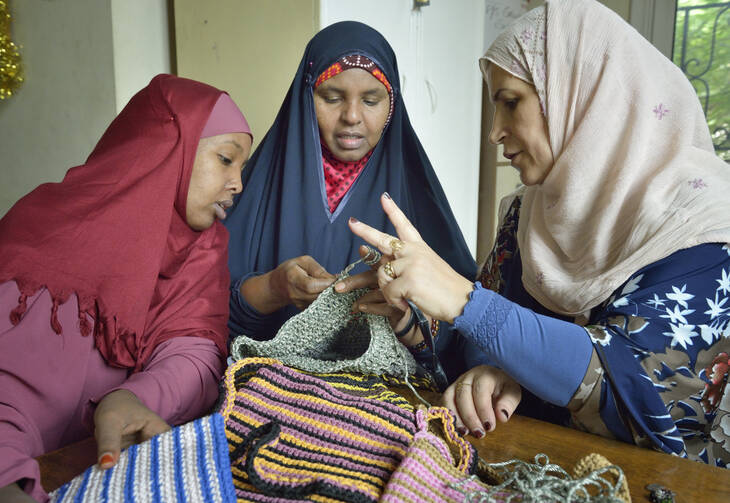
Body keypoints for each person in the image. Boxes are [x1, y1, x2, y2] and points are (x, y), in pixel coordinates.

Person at [341, 0, 730, 467]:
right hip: (536, 467)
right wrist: (413, 318)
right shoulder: (530, 215)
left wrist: (466, 300)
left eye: (510, 103)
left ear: (584, 95)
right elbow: (482, 343)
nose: (495, 133)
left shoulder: (702, 230)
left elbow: (639, 391)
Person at [0, 74, 253, 501]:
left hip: (103, 465)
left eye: (242, 167)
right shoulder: (47, 233)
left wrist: (129, 398)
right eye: (226, 160)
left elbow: (196, 354)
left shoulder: (204, 246)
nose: (238, 184)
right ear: (168, 148)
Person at [223, 21, 476, 343]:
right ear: (305, 97)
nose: (352, 116)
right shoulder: (256, 188)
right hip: (270, 380)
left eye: (371, 101)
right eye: (331, 98)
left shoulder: (414, 195)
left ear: (392, 106)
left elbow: (461, 328)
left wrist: (408, 318)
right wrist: (273, 289)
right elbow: (203, 317)